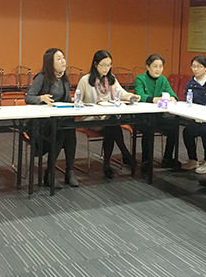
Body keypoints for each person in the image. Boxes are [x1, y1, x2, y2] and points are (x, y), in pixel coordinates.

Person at [76, 50, 139, 179]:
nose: (106, 68)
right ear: (95, 64)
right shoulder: (85, 80)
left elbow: (121, 92)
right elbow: (78, 99)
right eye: (103, 65)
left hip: (109, 117)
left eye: (109, 65)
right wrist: (81, 103)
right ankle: (125, 154)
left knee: (111, 126)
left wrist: (130, 96)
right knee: (113, 125)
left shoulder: (111, 79)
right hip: (92, 118)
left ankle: (107, 164)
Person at [25, 48, 79, 188]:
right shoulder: (42, 78)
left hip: (59, 120)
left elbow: (65, 100)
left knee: (69, 127)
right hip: (41, 124)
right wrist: (41, 98)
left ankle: (69, 171)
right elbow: (28, 97)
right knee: (63, 129)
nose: (63, 61)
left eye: (63, 58)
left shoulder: (64, 79)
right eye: (59, 59)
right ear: (51, 62)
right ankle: (51, 173)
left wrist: (73, 102)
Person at [133, 54, 179, 171]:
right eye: (155, 66)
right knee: (148, 128)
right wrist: (155, 99)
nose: (158, 69)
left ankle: (168, 157)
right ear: (148, 67)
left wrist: (173, 98)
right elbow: (139, 95)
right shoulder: (140, 79)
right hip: (141, 116)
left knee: (174, 128)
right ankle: (146, 160)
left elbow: (172, 93)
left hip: (158, 115)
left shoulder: (163, 79)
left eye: (160, 66)